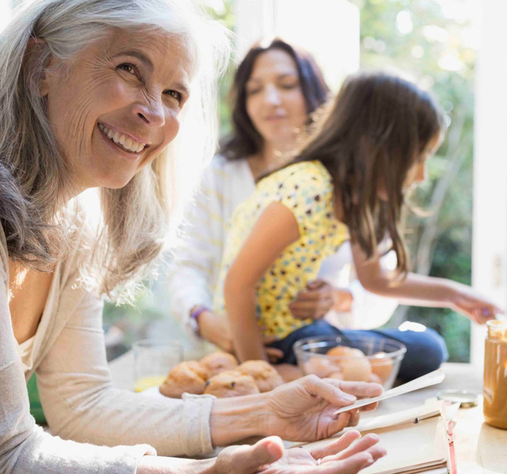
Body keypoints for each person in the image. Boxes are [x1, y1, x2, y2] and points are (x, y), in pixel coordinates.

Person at [0, 0, 385, 473]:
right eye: (128, 68)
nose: (153, 112)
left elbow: (83, 404)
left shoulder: (74, 215)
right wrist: (203, 471)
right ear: (41, 65)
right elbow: (5, 454)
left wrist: (265, 411)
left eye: (174, 94)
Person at [215, 72, 501, 382]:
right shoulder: (309, 189)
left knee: (427, 348)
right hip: (274, 340)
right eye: (418, 158)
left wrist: (454, 294)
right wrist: (259, 373)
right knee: (426, 348)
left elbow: (378, 280)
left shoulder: (352, 199)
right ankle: (289, 374)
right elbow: (237, 285)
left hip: (302, 334)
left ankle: (303, 373)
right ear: (377, 147)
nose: (420, 176)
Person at [168, 38, 399, 359]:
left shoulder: (345, 178)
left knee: (422, 349)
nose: (271, 100)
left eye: (287, 85)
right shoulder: (220, 174)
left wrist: (339, 297)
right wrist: (204, 320)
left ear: (314, 93)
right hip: (231, 355)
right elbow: (190, 264)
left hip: (317, 349)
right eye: (255, 90)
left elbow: (382, 282)